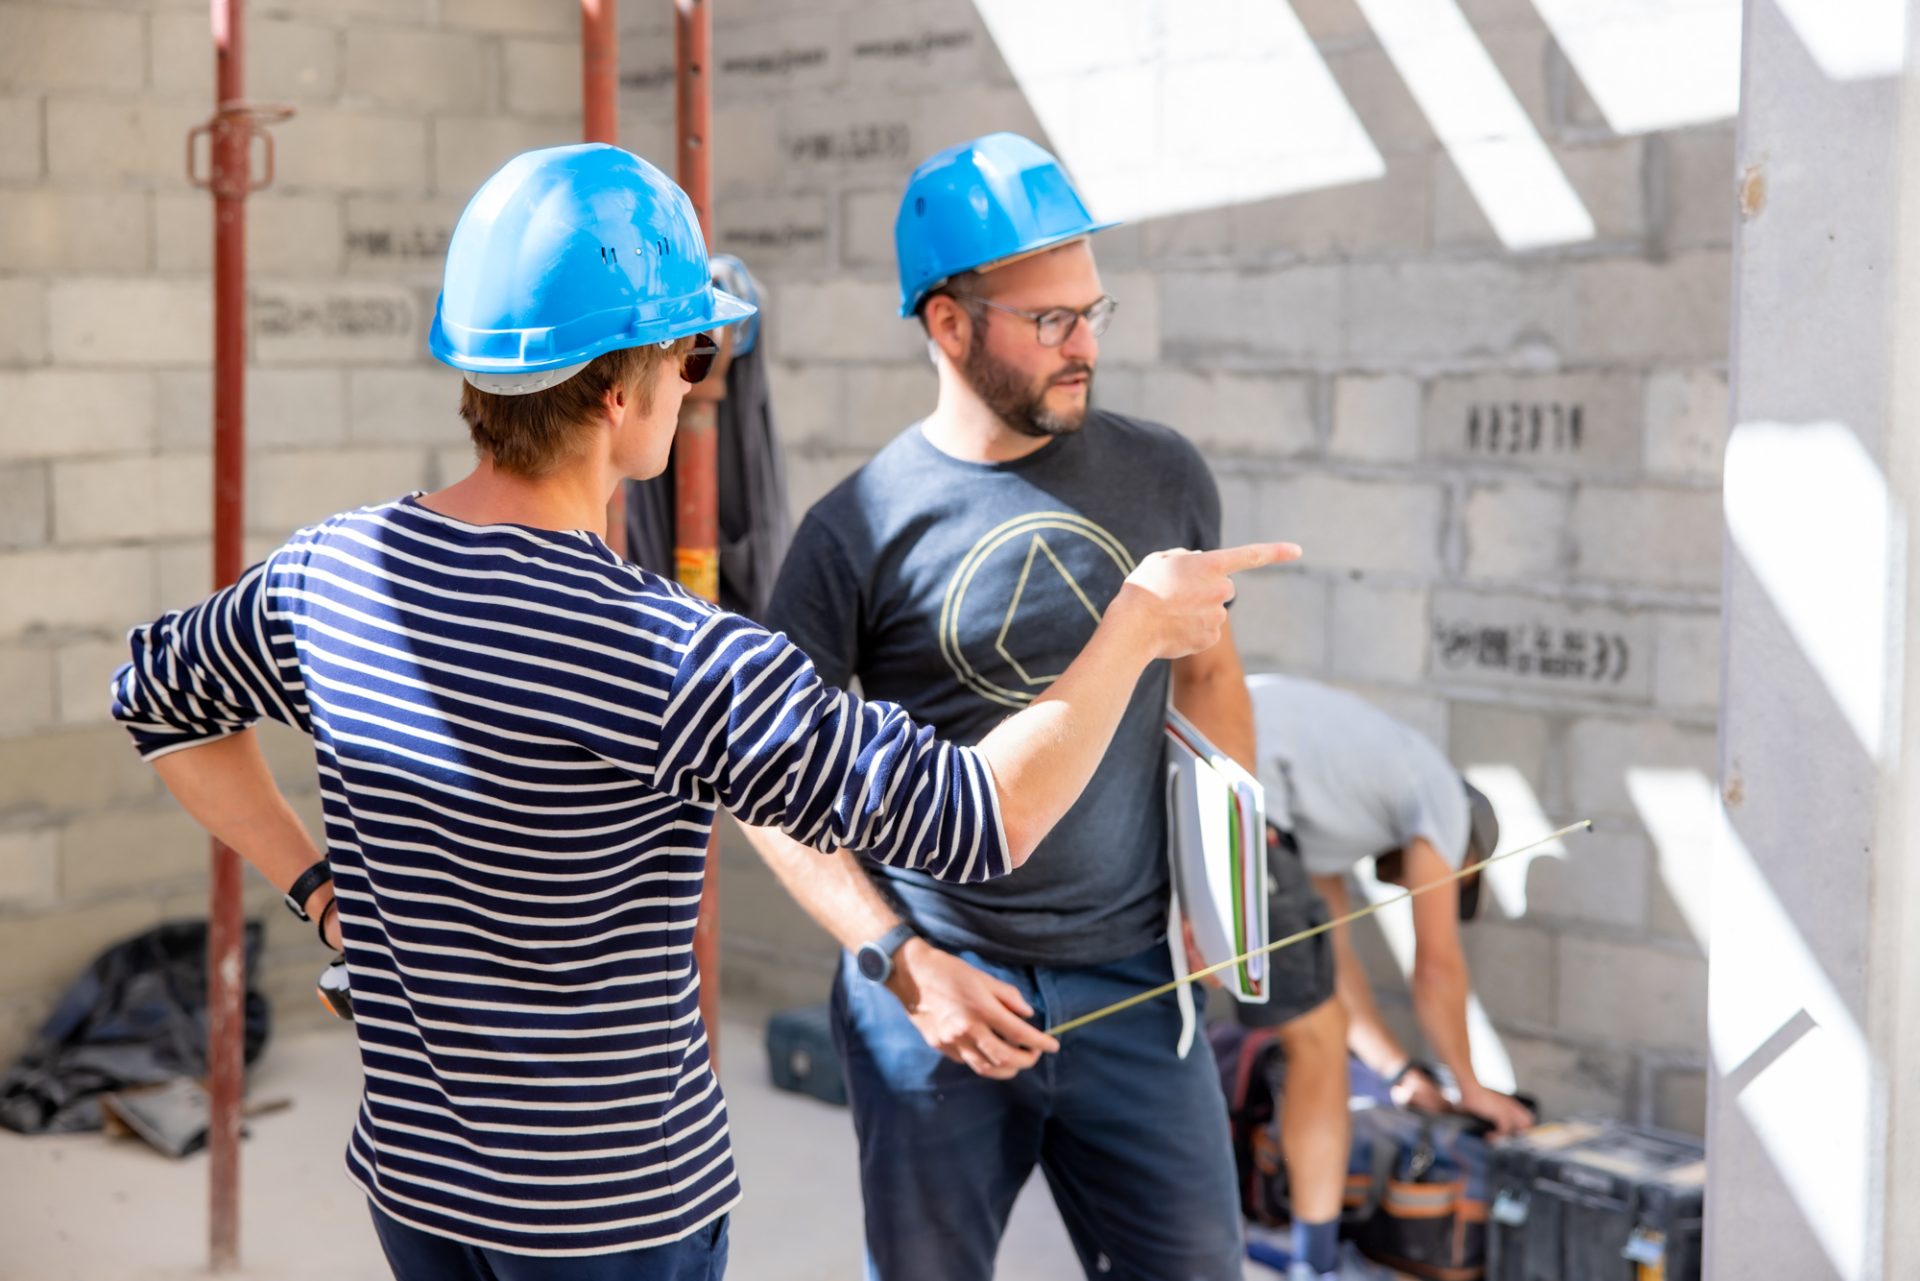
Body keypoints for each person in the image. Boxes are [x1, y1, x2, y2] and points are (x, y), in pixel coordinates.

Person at [106, 143, 1288, 1281]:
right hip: (609, 1216)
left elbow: (155, 696)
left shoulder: (331, 572)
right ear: (619, 388)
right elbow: (985, 816)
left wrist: (323, 892)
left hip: (418, 1187)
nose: (697, 384)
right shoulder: (666, 653)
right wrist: (1132, 628)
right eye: (691, 358)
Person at [738, 132, 1347, 1281]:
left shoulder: (1164, 476)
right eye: (1051, 320)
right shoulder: (853, 530)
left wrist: (1220, 894)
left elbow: (1208, 677)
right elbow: (766, 787)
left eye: (1092, 310)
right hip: (942, 995)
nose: (1087, 346)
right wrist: (898, 960)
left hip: (1139, 989)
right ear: (948, 322)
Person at [1247, 673, 1535, 1137]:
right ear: (1464, 854)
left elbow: (1334, 961)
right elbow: (1436, 965)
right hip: (1239, 758)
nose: (1411, 887)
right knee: (1316, 1038)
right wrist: (1471, 1087)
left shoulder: (1328, 821)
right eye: (1454, 880)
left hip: (1211, 749)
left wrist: (1398, 1071)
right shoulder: (1447, 803)